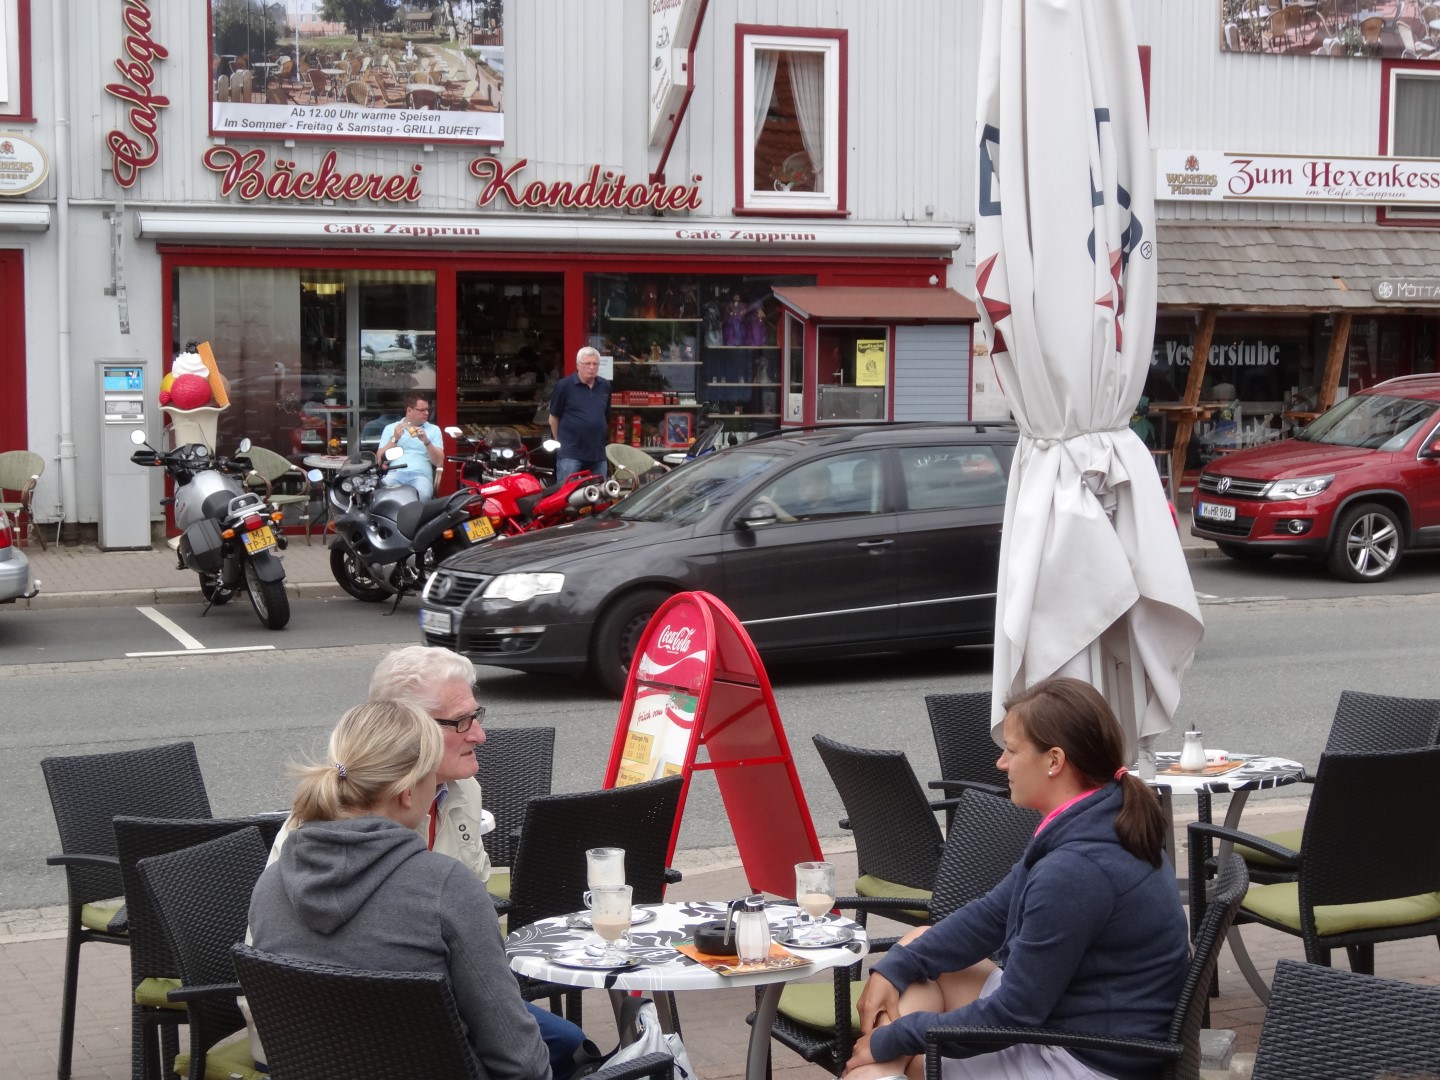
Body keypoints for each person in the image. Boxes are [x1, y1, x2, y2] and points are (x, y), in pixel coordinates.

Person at [262, 646, 586, 1077]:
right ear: (407, 734)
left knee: (566, 1041)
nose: (480, 735)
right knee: (556, 1054)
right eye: (461, 721)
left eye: (477, 715)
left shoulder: (273, 879)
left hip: (321, 1049)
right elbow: (522, 1063)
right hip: (390, 1033)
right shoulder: (435, 881)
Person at [845, 677, 1188, 1080]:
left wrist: (895, 1039)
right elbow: (991, 914)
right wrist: (895, 967)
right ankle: (881, 1065)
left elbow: (1014, 1014)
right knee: (919, 948)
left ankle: (874, 1068)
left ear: (1054, 760)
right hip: (1069, 1024)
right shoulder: (1095, 816)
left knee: (887, 1067)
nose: (1001, 763)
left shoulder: (1077, 867)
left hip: (1086, 1060)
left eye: (1011, 750)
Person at [549, 346, 610, 480]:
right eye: (587, 364)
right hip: (571, 453)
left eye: (595, 364)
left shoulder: (605, 386)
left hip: (597, 453)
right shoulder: (564, 386)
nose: (592, 367)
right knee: (568, 491)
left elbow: (605, 416)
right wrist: (561, 444)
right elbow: (553, 418)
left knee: (598, 491)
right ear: (578, 365)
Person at [377, 392, 443, 500]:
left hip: (421, 476)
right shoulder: (391, 428)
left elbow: (439, 462)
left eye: (427, 409)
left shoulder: (433, 430)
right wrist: (394, 439)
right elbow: (380, 460)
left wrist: (426, 441)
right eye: (422, 410)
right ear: (409, 410)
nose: (427, 413)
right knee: (381, 497)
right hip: (395, 473)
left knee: (421, 496)